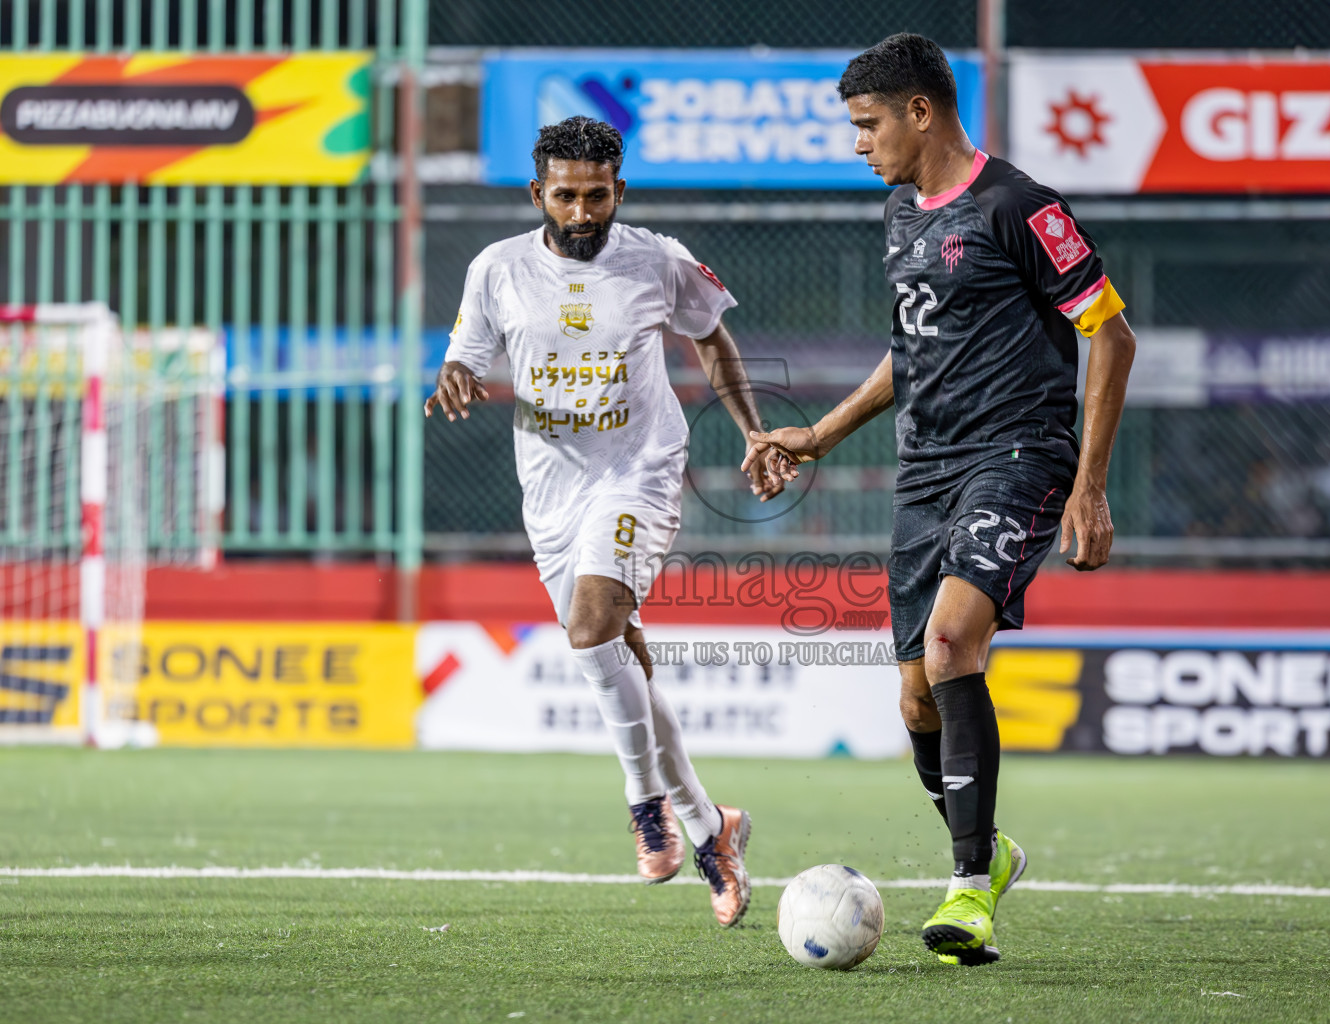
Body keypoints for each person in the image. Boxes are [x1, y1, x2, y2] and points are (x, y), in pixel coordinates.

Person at [743, 34, 1137, 964]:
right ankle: (989, 851)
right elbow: (912, 353)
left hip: (1020, 454)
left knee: (955, 642)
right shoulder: (901, 212)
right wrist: (822, 434)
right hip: (926, 472)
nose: (858, 142)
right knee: (919, 697)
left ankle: (967, 890)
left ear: (922, 111)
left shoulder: (1021, 207)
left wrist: (1092, 487)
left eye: (868, 123)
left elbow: (1110, 337)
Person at [427, 116, 785, 927]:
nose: (582, 213)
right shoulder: (497, 270)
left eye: (597, 196)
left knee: (592, 626)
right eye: (566, 196)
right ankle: (709, 825)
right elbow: (466, 353)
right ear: (538, 195)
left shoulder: (659, 259)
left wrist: (753, 430)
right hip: (550, 489)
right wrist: (453, 375)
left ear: (619, 190)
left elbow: (714, 340)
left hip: (641, 469)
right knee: (613, 649)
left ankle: (643, 800)